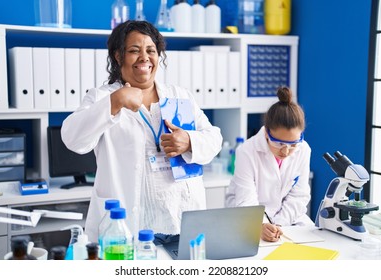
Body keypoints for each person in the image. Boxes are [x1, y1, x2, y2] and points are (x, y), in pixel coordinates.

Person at [61, 20, 222, 243]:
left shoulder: (179, 96)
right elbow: (72, 138)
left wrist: (189, 141)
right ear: (118, 56)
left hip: (180, 221)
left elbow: (214, 138)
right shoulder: (101, 97)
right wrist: (114, 102)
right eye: (134, 51)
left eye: (151, 50)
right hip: (126, 228)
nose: (144, 58)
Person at [225, 86, 312, 242]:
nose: (286, 151)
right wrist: (261, 225)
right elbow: (246, 200)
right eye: (279, 143)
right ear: (266, 133)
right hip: (248, 217)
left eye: (293, 144)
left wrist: (278, 224)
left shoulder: (304, 149)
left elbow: (299, 195)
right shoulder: (246, 151)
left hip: (286, 220)